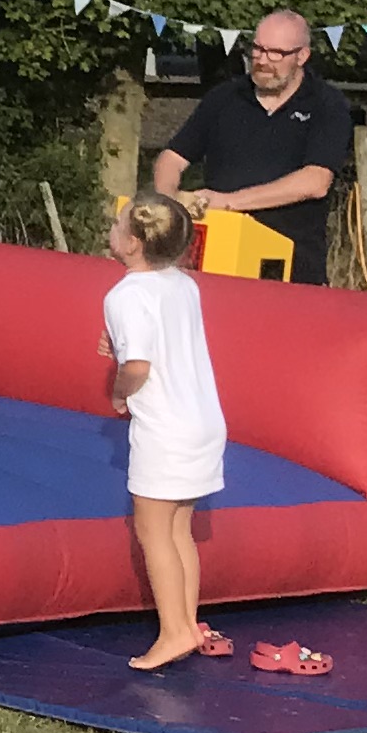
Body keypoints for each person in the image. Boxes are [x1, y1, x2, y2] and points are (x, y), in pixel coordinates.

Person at [102, 194, 230, 669]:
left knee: (152, 531)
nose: (110, 231)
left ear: (132, 244)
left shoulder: (124, 294)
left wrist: (119, 393)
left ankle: (174, 631)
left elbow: (137, 363)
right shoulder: (183, 285)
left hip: (165, 429)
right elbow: (160, 334)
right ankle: (188, 623)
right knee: (181, 531)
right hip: (202, 422)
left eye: (117, 226)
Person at [154, 10, 360, 282]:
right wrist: (168, 203)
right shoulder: (224, 97)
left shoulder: (327, 105)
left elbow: (315, 181)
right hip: (216, 263)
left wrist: (228, 202)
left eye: (276, 53)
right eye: (258, 49)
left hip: (291, 271)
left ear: (302, 56)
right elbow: (172, 157)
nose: (262, 61)